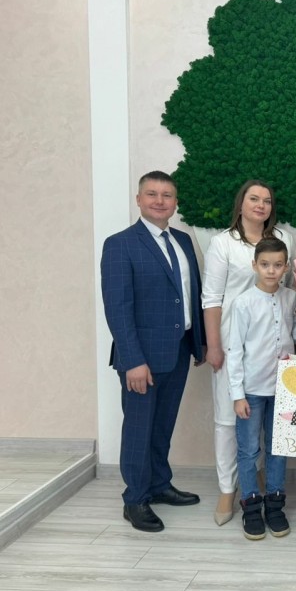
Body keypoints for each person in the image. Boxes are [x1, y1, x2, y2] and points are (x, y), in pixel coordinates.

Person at [101, 171, 206, 533]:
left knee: (162, 425)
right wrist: (133, 360)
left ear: (175, 202)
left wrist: (199, 342)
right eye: (152, 194)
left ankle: (160, 484)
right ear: (139, 199)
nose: (160, 201)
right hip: (141, 358)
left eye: (167, 195)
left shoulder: (183, 240)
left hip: (178, 350)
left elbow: (191, 294)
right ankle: (135, 499)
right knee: (139, 428)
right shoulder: (120, 244)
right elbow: (118, 308)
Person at [201, 180, 294, 526]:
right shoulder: (223, 243)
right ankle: (228, 489)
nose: (260, 205)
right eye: (253, 198)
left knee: (269, 426)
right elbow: (212, 298)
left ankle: (262, 486)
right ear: (241, 203)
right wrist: (214, 345)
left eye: (266, 200)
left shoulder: (283, 239)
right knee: (230, 420)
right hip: (233, 343)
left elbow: (289, 294)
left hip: (272, 348)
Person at [226, 237, 296, 540]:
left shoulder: (290, 297)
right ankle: (250, 505)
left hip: (284, 388)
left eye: (277, 265)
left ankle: (275, 503)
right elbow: (235, 350)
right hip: (252, 389)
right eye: (265, 264)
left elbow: (291, 332)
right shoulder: (243, 302)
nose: (271, 270)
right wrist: (237, 395)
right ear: (254, 265)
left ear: (286, 267)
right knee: (249, 450)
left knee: (278, 447)